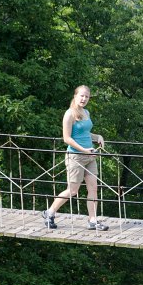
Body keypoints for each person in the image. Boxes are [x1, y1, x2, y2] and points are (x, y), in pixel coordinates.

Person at [41, 85, 109, 231]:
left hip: (90, 157)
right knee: (72, 190)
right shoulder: (69, 114)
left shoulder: (86, 112)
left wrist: (98, 137)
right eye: (81, 96)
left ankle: (93, 221)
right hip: (76, 157)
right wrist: (84, 150)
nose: (84, 99)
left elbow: (85, 133)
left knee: (93, 188)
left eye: (87, 96)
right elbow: (67, 138)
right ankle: (50, 212)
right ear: (75, 96)